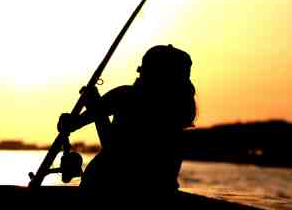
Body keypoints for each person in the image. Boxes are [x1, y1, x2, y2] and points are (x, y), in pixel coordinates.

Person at [58, 45, 196, 196]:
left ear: (148, 73)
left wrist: (92, 106)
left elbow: (117, 156)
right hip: (161, 193)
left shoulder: (126, 96)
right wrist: (86, 111)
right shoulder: (179, 107)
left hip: (113, 190)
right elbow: (75, 123)